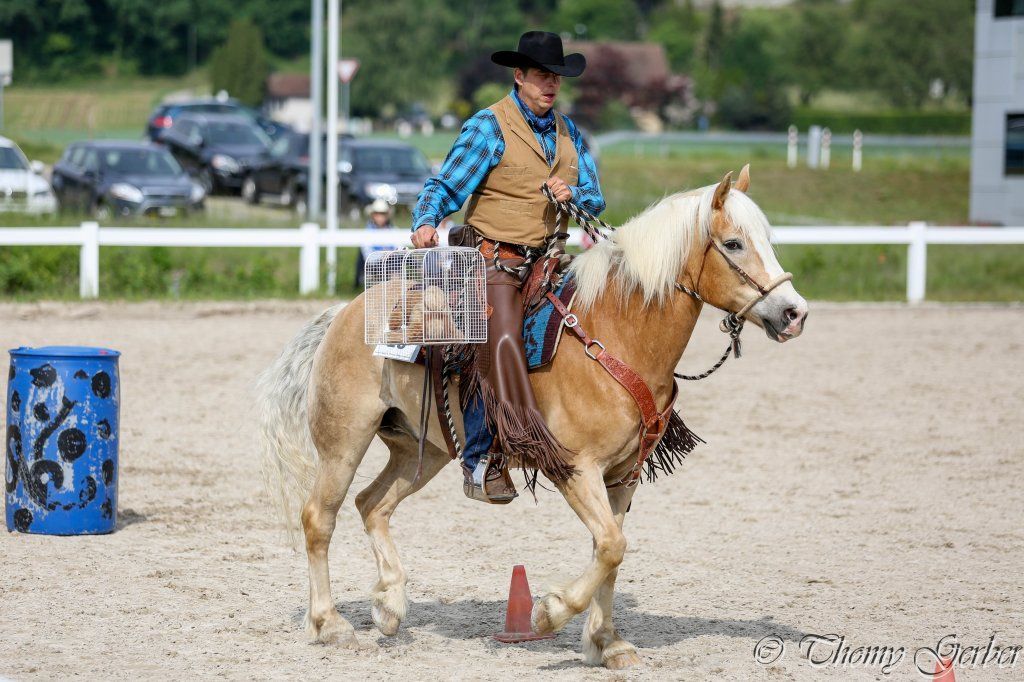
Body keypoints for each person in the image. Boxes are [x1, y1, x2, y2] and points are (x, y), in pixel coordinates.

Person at [410, 31, 605, 503]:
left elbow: (595, 198)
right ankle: (481, 458)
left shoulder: (570, 133)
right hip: (493, 259)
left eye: (556, 77)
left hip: (552, 260)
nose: (551, 84)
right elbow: (446, 185)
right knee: (499, 337)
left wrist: (574, 193)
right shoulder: (488, 126)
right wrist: (426, 220)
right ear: (519, 76)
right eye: (541, 75)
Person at [356, 198, 403, 288]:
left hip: (393, 265)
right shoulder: (367, 232)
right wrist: (383, 255)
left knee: (396, 269)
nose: (380, 217)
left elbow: (400, 248)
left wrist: (390, 255)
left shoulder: (394, 230)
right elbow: (368, 256)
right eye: (378, 214)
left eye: (383, 214)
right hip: (375, 267)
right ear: (373, 215)